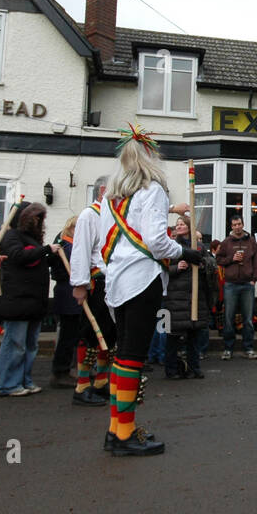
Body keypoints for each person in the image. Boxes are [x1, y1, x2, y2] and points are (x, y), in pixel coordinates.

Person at [72, 125, 200, 456]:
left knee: (123, 355)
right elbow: (157, 242)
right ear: (151, 159)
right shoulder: (153, 191)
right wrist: (186, 252)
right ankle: (124, 434)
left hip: (116, 282)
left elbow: (104, 246)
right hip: (142, 281)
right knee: (132, 358)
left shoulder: (111, 200)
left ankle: (117, 430)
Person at [65, 181, 119, 408]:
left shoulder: (114, 216)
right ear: (103, 190)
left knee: (108, 335)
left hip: (113, 282)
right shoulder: (90, 214)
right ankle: (82, 386)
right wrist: (79, 284)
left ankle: (100, 382)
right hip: (96, 281)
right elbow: (81, 250)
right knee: (90, 335)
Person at [0, 202, 55, 397]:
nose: (38, 221)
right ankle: (7, 384)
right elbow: (18, 256)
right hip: (17, 300)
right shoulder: (11, 236)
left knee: (30, 346)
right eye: (35, 217)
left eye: (40, 217)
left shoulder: (32, 239)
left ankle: (24, 380)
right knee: (15, 344)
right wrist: (46, 250)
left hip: (34, 301)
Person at [164, 214, 217, 379]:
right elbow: (161, 269)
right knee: (172, 337)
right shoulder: (170, 247)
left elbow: (211, 265)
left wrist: (201, 265)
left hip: (195, 297)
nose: (178, 226)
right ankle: (171, 369)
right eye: (177, 224)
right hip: (175, 298)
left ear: (189, 226)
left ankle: (195, 367)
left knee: (194, 336)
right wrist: (175, 268)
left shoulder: (199, 247)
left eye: (182, 224)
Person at [217, 214, 257, 360]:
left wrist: (255, 279)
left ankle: (249, 348)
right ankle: (228, 349)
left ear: (243, 224)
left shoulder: (251, 241)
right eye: (234, 225)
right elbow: (218, 259)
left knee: (248, 319)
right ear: (231, 226)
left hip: (247, 284)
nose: (237, 227)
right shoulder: (226, 242)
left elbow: (255, 261)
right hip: (231, 285)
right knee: (228, 318)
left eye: (239, 224)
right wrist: (231, 259)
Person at [48, 215, 82, 390]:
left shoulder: (72, 246)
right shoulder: (64, 246)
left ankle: (68, 369)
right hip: (67, 293)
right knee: (67, 336)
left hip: (72, 293)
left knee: (73, 335)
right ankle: (60, 371)